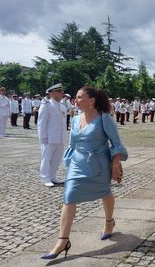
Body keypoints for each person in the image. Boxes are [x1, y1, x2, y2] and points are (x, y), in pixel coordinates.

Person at [41, 85, 127, 260]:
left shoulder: (105, 118)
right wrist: (69, 161)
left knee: (105, 192)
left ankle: (109, 222)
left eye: (80, 97)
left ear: (92, 101)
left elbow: (116, 143)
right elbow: (72, 143)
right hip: (77, 163)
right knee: (69, 196)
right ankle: (63, 240)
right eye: (76, 97)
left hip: (99, 164)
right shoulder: (74, 118)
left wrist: (116, 164)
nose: (75, 100)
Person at [37, 84, 68, 187]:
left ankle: (53, 176)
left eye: (62, 91)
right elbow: (41, 122)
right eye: (59, 91)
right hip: (49, 138)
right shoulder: (47, 105)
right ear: (51, 93)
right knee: (46, 158)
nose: (61, 93)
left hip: (60, 137)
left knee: (57, 159)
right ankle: (45, 178)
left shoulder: (62, 106)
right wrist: (43, 137)